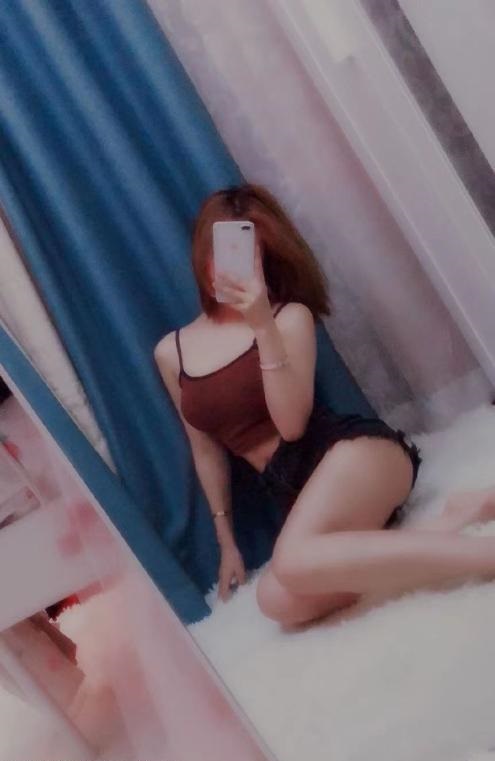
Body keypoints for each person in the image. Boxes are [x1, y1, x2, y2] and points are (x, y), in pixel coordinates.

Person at [154, 184, 495, 627]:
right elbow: (204, 450)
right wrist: (227, 544)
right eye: (224, 249)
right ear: (204, 253)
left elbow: (292, 427)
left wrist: (261, 325)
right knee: (277, 600)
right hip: (301, 496)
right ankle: (449, 522)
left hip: (356, 457)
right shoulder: (172, 352)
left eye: (251, 254)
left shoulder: (287, 317)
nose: (234, 265)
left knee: (292, 561)